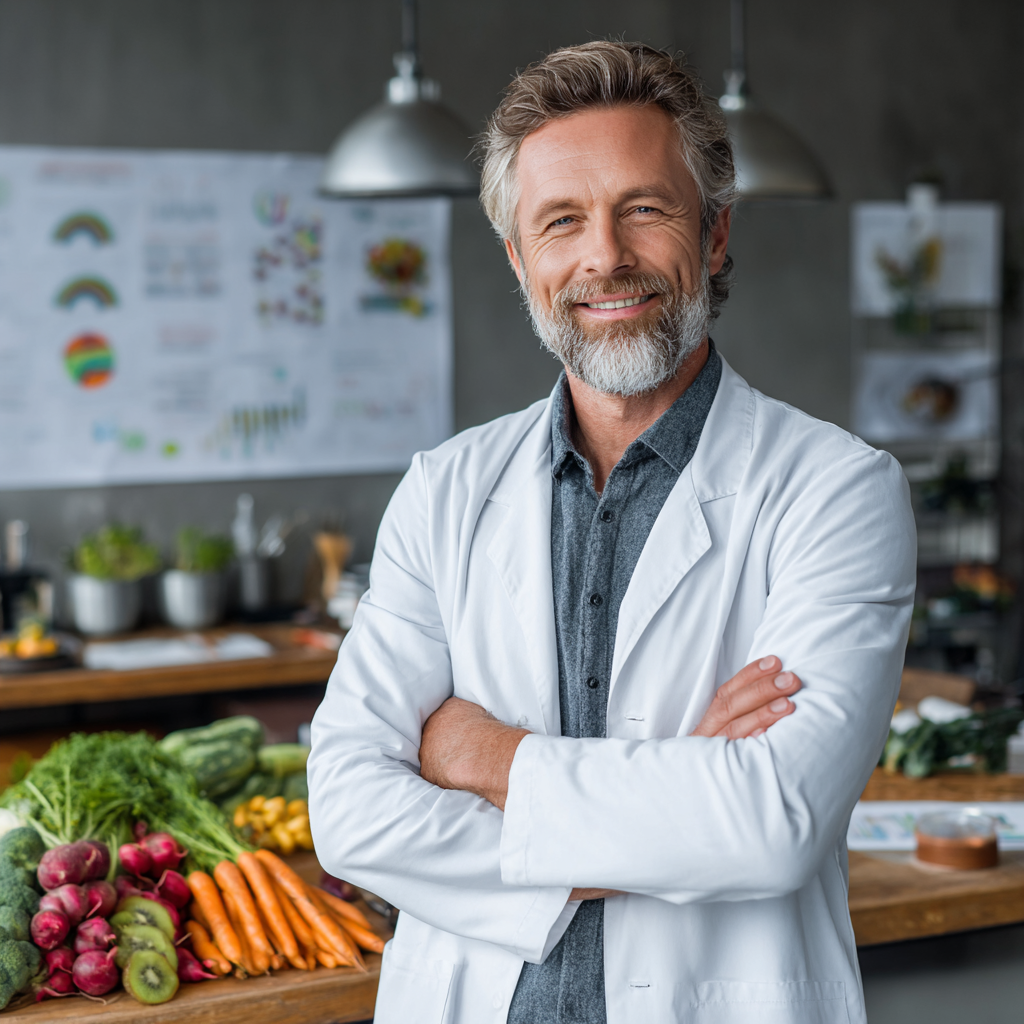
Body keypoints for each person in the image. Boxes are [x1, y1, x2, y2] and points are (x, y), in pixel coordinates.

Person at [308, 40, 915, 1024]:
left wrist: (484, 758)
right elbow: (347, 812)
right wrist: (678, 805)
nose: (604, 257)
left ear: (713, 233)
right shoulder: (444, 488)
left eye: (644, 208)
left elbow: (771, 823)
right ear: (519, 258)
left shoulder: (836, 491)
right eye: (560, 221)